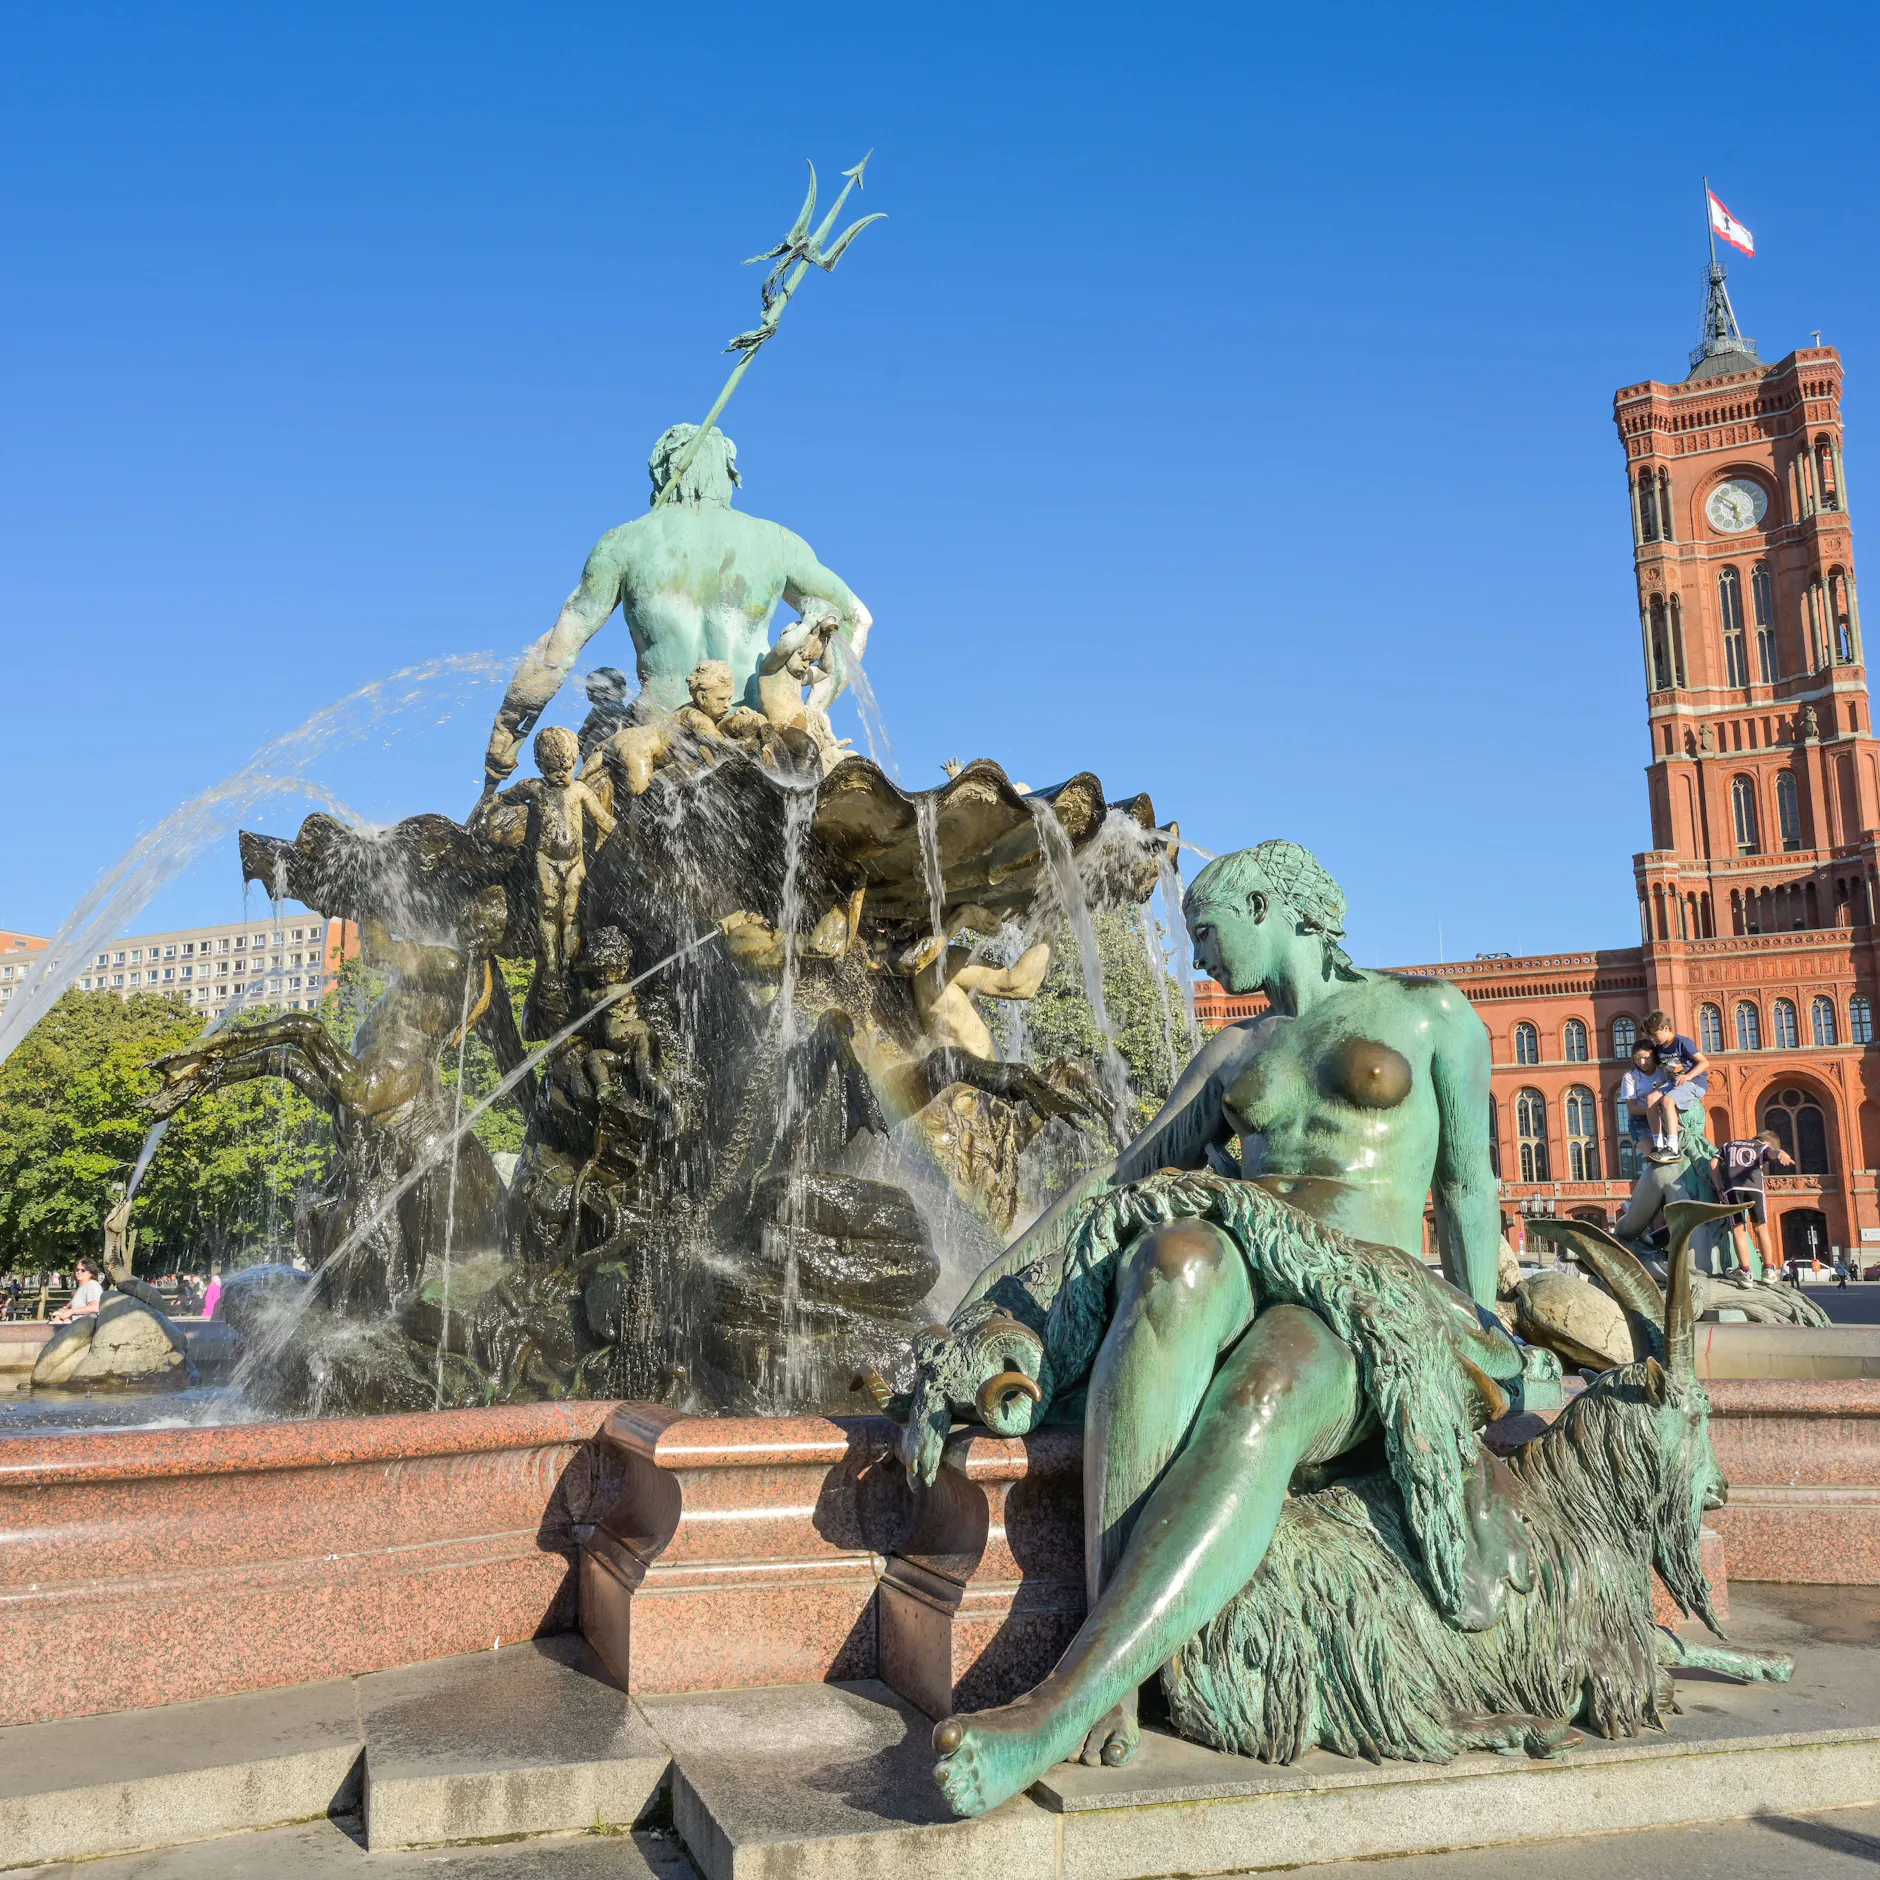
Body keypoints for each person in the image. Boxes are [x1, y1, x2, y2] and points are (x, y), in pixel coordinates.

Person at [480, 425, 872, 791]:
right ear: (727, 472)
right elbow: (857, 617)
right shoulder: (778, 542)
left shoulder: (623, 543)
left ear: (663, 474)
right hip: (757, 733)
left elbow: (555, 656)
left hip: (664, 735)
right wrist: (815, 708)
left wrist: (506, 735)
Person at [1711, 1128, 1793, 1281]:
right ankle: (1768, 1270)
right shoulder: (1761, 1147)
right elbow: (1772, 1153)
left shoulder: (1728, 1145)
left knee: (1738, 1229)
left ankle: (1745, 1271)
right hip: (1755, 1188)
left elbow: (1713, 1163)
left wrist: (1719, 1188)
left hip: (1732, 1189)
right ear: (1768, 1143)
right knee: (1761, 1228)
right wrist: (1781, 1153)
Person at [1639, 1010, 1710, 1161]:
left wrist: (1688, 1076)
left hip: (1694, 1083)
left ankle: (1672, 1147)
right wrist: (1664, 1083)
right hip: (1674, 1084)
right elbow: (1670, 1069)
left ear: (1665, 1028)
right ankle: (1659, 1145)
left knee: (1667, 1101)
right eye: (1649, 1035)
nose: (1652, 1038)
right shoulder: (1659, 1048)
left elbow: (1704, 1062)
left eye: (1653, 1034)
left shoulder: (1682, 1042)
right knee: (1651, 1099)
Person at [1618, 1042, 1677, 1165]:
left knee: (1672, 1156)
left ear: (1653, 1055)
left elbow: (1680, 1078)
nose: (1642, 1062)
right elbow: (1632, 1108)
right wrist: (1653, 1109)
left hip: (1665, 1118)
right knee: (1658, 1160)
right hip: (1640, 1122)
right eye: (1638, 1059)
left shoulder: (1664, 1070)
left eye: (1645, 1058)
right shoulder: (1630, 1077)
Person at [51, 1258, 103, 1324]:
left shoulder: (92, 1285)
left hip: (86, 1329)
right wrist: (65, 1309)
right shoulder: (83, 1287)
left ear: (91, 1273)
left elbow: (95, 1308)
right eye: (77, 1269)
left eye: (83, 1270)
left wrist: (71, 1311)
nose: (79, 1272)